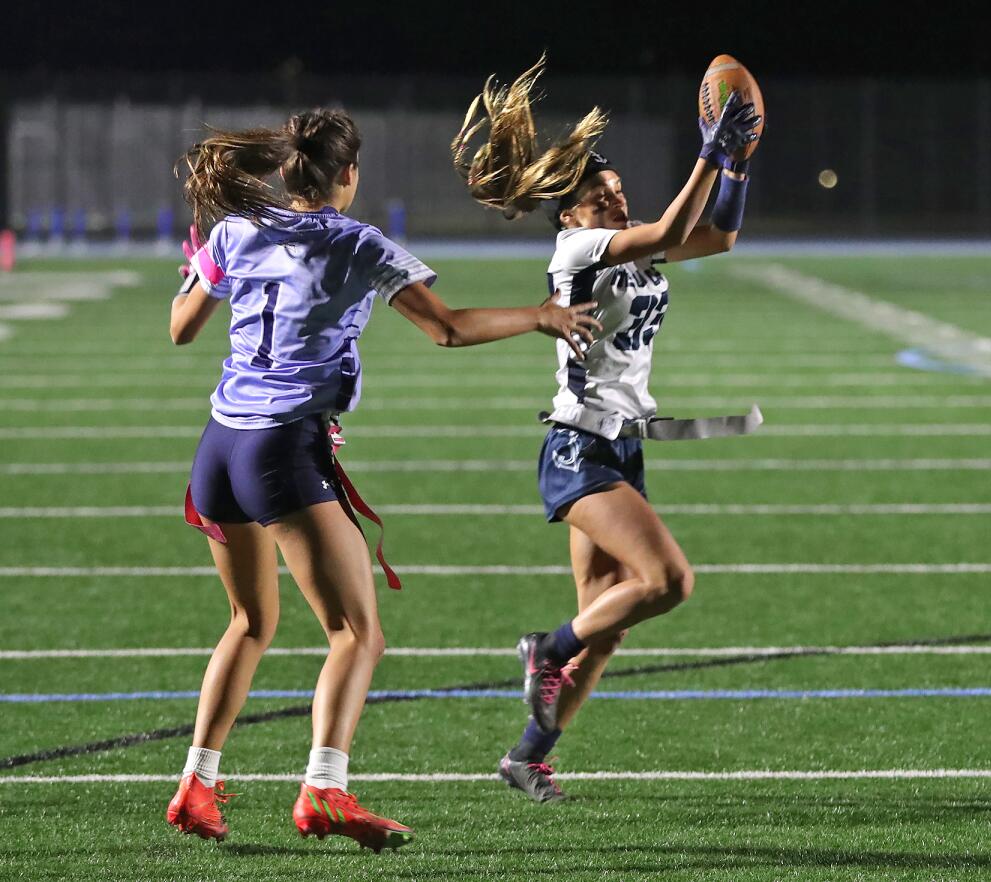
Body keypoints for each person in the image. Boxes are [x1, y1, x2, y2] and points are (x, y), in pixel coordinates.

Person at [165, 107, 601, 847]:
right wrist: (540, 316)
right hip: (281, 450)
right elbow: (448, 326)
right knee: (356, 634)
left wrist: (198, 270)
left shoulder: (235, 233)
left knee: (249, 623)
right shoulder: (357, 243)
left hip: (219, 446)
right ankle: (324, 792)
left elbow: (180, 326)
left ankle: (196, 784)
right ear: (347, 175)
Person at [453, 59, 759, 802]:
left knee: (608, 625)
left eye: (617, 187)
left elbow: (715, 239)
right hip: (578, 448)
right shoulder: (578, 251)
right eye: (599, 195)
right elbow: (676, 224)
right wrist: (710, 154)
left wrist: (738, 169)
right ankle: (544, 648)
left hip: (618, 445)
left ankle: (528, 756)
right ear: (570, 217)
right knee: (666, 582)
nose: (615, 195)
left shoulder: (632, 244)